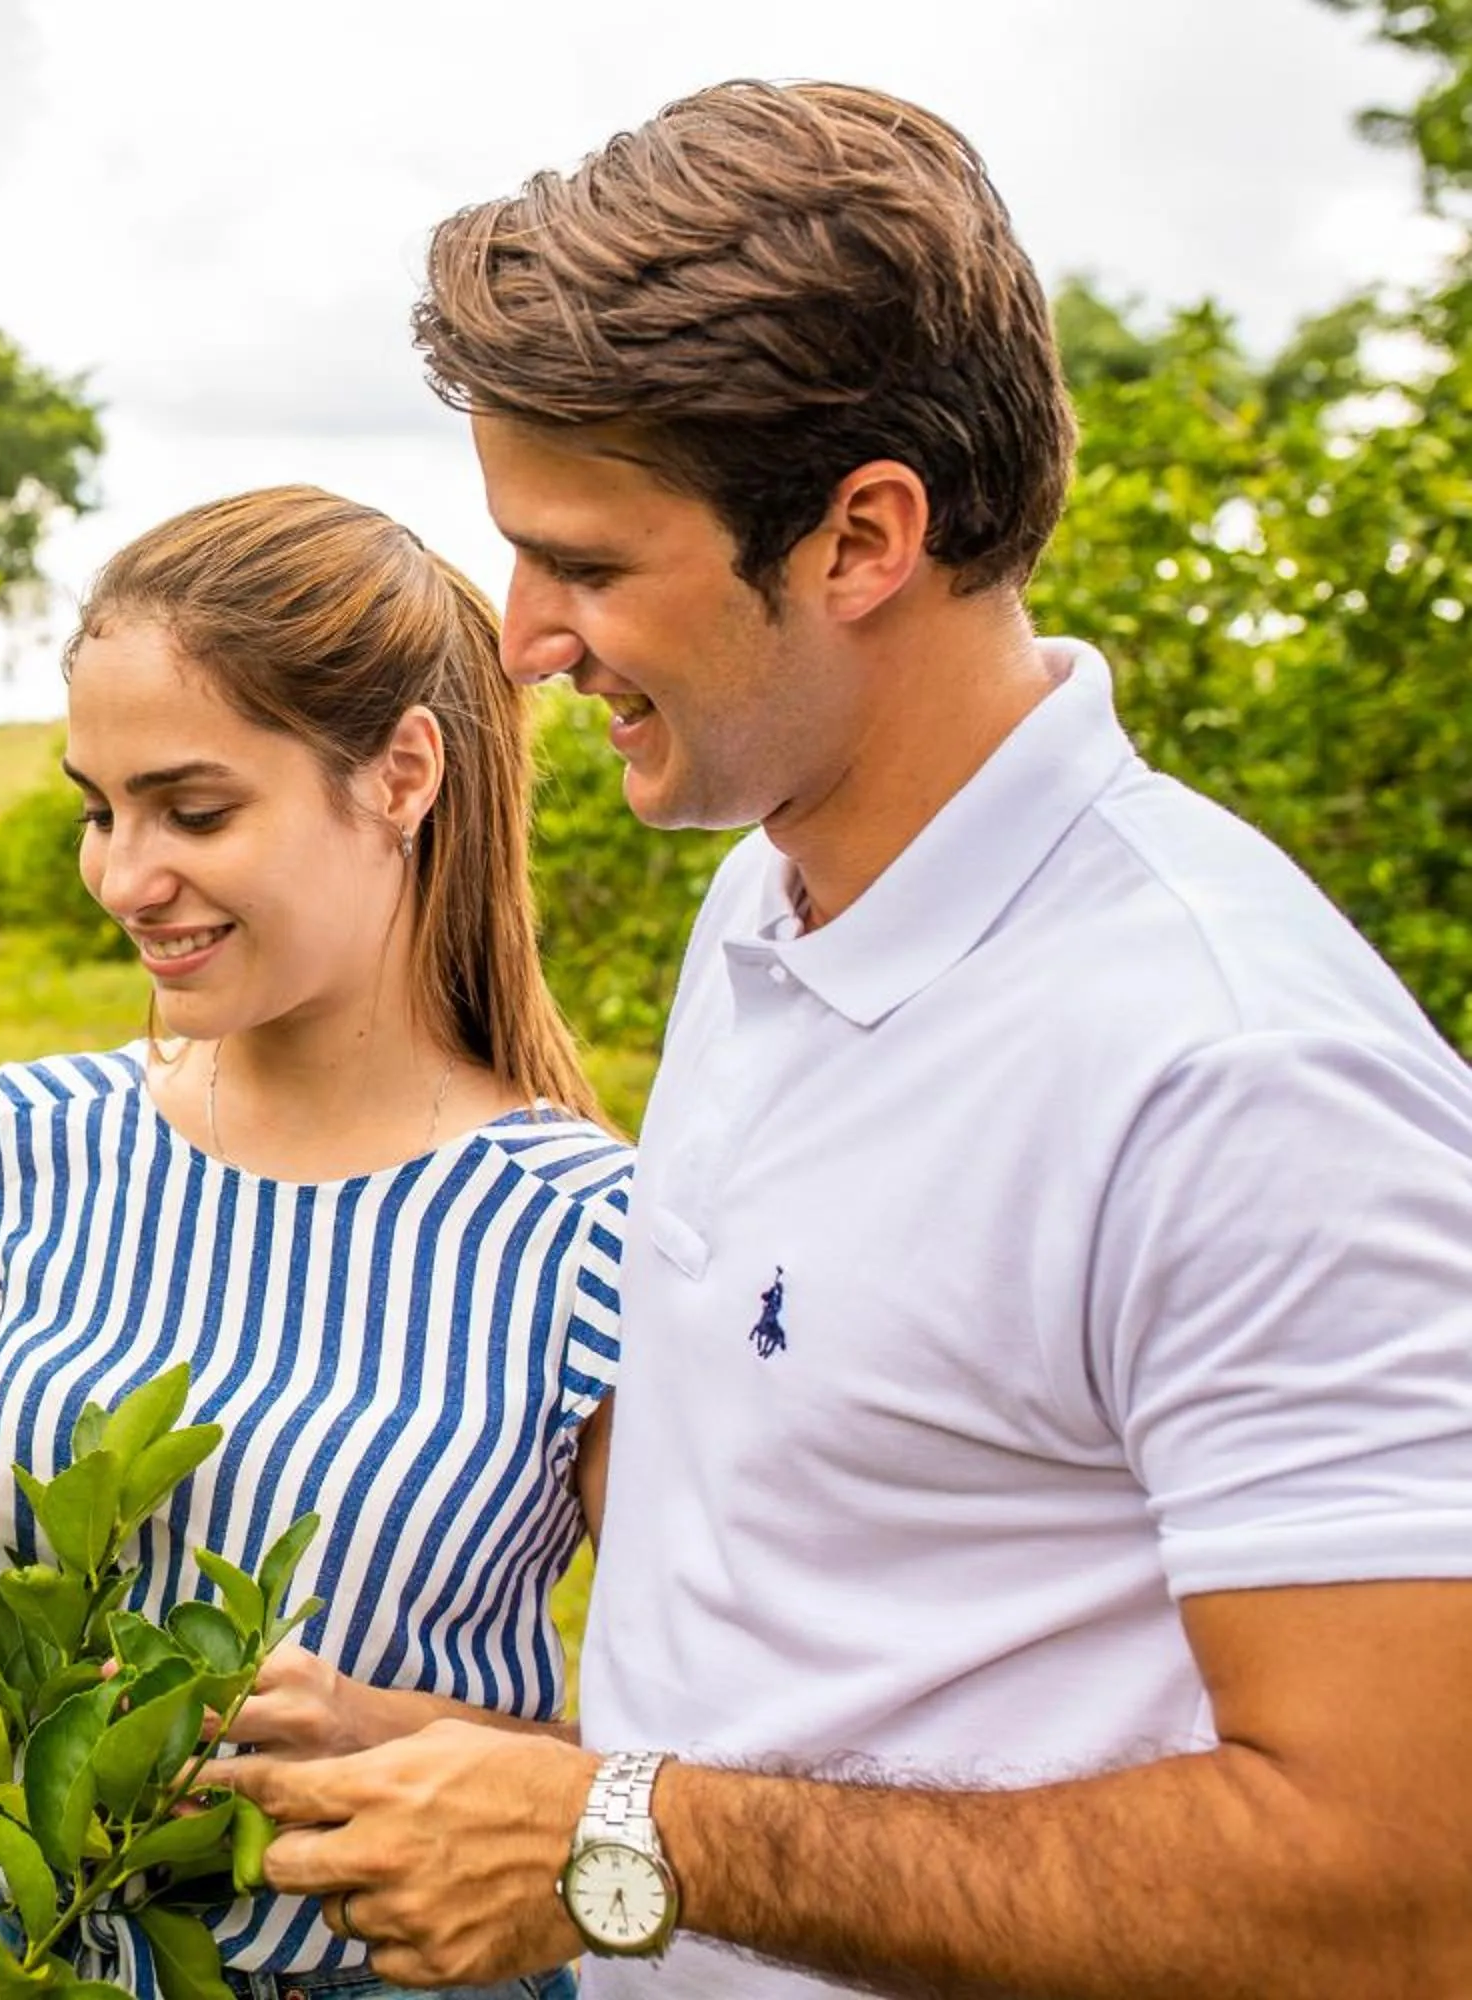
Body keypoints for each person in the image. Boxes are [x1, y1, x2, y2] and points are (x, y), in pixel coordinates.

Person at [215, 81, 1472, 1997]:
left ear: (863, 536)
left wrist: (625, 1842)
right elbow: (869, 1657)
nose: (524, 635)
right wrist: (538, 1787)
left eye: (591, 562)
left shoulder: (1231, 1076)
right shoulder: (776, 908)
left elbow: (1402, 1890)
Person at [0, 486, 633, 2000]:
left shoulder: (589, 1238)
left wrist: (382, 1734)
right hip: (33, 1959)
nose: (125, 880)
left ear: (400, 774)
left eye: (194, 812)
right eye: (98, 811)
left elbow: (689, 1784)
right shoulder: (27, 1151)